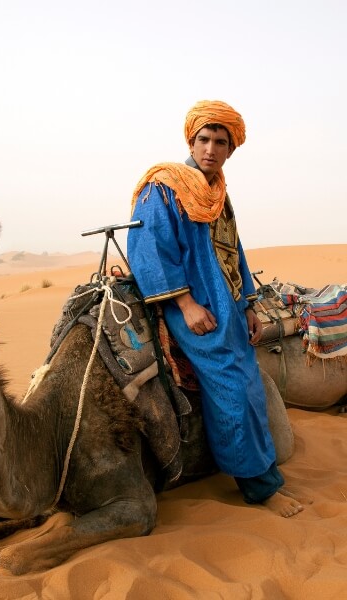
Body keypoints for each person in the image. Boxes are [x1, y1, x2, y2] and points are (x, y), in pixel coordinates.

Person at [127, 100, 308, 517]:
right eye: (204, 139)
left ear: (231, 149)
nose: (210, 148)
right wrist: (185, 303)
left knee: (249, 383)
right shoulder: (164, 187)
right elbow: (151, 250)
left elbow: (234, 252)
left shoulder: (217, 194)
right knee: (231, 386)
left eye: (220, 142)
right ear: (191, 140)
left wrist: (246, 306)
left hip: (227, 306)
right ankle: (260, 488)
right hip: (191, 306)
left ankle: (262, 470)